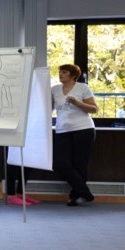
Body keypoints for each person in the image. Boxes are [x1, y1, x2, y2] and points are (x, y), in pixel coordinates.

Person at [51, 64, 98, 206]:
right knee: (60, 163)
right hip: (62, 130)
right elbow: (48, 108)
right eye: (60, 72)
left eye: (64, 72)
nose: (60, 74)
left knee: (80, 164)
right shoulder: (54, 89)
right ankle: (85, 193)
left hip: (83, 129)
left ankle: (75, 197)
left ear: (73, 75)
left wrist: (77, 103)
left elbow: (94, 109)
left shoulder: (83, 88)